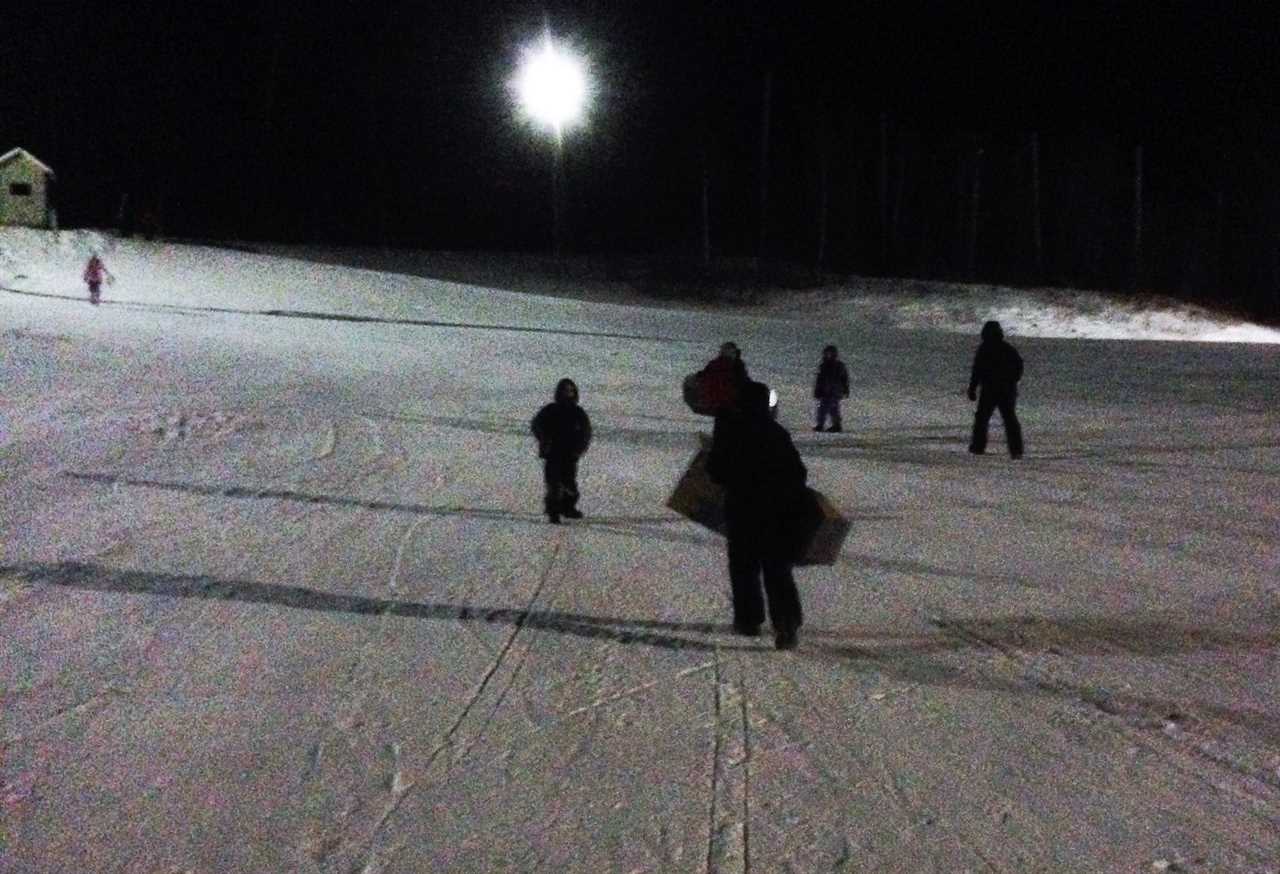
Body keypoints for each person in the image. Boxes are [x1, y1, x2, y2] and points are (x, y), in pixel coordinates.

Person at [707, 380, 807, 650]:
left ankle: (749, 621)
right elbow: (799, 474)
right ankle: (786, 625)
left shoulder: (732, 433)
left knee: (744, 569)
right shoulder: (778, 433)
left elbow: (715, 471)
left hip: (741, 512)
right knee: (778, 571)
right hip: (777, 514)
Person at [530, 378, 593, 524]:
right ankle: (553, 512)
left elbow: (586, 432)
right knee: (554, 483)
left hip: (570, 454)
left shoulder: (578, 412)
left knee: (569, 484)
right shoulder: (551, 409)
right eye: (565, 390)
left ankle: (568, 508)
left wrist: (580, 448)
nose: (568, 393)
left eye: (570, 391)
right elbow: (536, 425)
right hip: (552, 453)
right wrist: (544, 440)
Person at [967, 320, 1024, 459]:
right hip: (1006, 389)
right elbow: (1019, 366)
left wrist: (973, 388)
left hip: (990, 389)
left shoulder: (984, 349)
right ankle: (1016, 449)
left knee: (982, 418)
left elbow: (977, 370)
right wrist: (1012, 381)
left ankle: (978, 446)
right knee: (1009, 419)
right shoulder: (1008, 348)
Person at [812, 344, 850, 432]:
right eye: (827, 353)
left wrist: (845, 389)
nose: (828, 355)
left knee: (833, 409)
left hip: (835, 391)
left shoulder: (839, 366)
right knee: (822, 409)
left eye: (830, 354)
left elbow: (844, 378)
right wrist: (817, 390)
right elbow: (819, 379)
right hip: (825, 391)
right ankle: (820, 424)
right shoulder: (823, 366)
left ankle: (836, 425)